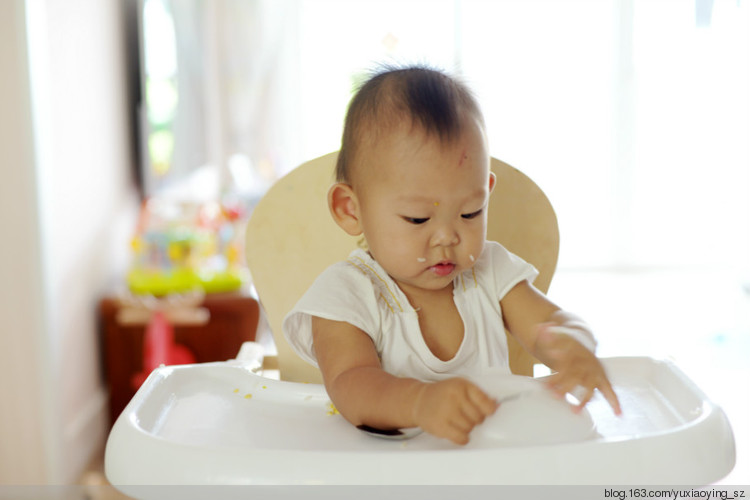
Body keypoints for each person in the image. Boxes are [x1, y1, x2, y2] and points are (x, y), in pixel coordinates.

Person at [283, 64, 621, 445]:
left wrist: (575, 345)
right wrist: (419, 402)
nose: (447, 237)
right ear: (351, 209)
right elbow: (349, 385)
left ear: (486, 192)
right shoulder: (347, 292)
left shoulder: (490, 273)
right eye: (418, 218)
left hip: (494, 464)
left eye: (470, 213)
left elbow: (550, 323)